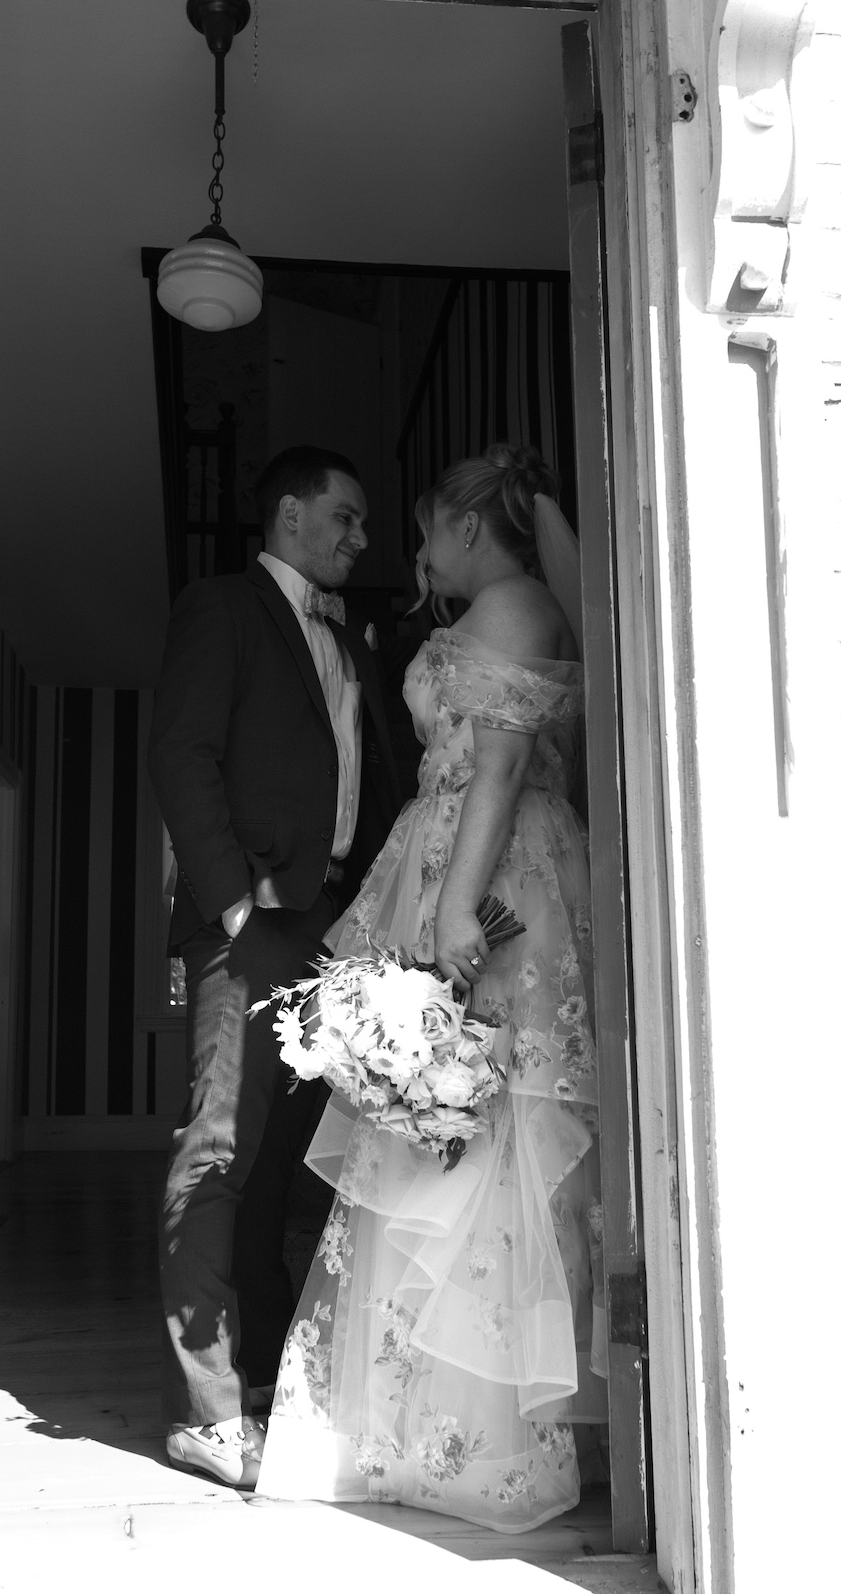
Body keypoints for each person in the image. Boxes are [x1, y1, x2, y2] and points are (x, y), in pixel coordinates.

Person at [256, 443, 608, 1532]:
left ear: (466, 527)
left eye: (421, 535)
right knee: (429, 1123)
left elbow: (497, 768)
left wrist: (455, 910)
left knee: (474, 1131)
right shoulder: (506, 604)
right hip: (449, 865)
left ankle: (473, 1434)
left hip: (488, 886)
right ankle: (413, 1423)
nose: (414, 559)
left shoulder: (511, 606)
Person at [148, 445, 401, 1488]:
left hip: (337, 925)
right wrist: (230, 905)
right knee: (215, 1149)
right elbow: (181, 755)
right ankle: (204, 1414)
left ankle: (254, 1376)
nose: (358, 538)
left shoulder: (353, 639)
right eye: (343, 517)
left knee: (280, 1161)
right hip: (251, 924)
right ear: (290, 516)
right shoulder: (221, 607)